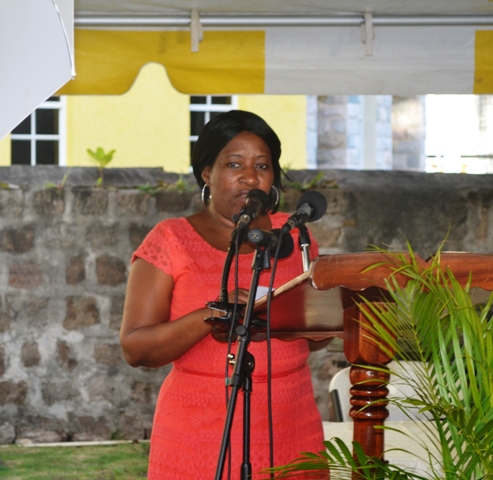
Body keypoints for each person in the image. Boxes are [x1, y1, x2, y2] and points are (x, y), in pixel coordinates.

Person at [120, 110, 324, 479]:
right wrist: (212, 313)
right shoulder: (171, 240)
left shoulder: (294, 236)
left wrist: (326, 318)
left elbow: (312, 339)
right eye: (234, 164)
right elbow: (136, 348)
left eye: (262, 165)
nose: (250, 176)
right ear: (207, 172)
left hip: (292, 425)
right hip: (199, 432)